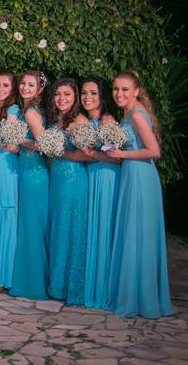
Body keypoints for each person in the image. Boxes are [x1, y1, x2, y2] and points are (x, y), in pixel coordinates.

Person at [106, 71, 172, 318]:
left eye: (125, 89)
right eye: (116, 89)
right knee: (134, 232)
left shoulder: (135, 114)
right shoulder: (128, 113)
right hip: (132, 174)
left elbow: (154, 150)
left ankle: (141, 299)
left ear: (135, 91)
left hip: (140, 177)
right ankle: (137, 295)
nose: (119, 94)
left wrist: (121, 154)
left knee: (139, 233)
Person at [46, 77, 89, 305]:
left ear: (75, 98)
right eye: (58, 94)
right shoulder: (57, 120)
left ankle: (71, 286)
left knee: (70, 228)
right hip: (58, 180)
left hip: (73, 180)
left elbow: (87, 153)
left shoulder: (79, 120)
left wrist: (62, 153)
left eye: (67, 94)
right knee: (59, 227)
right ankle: (57, 283)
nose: (61, 98)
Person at [79, 76, 120, 309]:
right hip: (92, 176)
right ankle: (94, 286)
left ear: (102, 97)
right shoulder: (86, 121)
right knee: (94, 228)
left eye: (93, 93)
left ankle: (103, 290)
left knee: (103, 228)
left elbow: (117, 158)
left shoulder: (107, 120)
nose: (87, 97)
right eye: (84, 93)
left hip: (106, 177)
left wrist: (91, 153)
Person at [9, 71, 50, 300]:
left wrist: (21, 141)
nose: (25, 87)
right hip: (27, 173)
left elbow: (44, 144)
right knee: (29, 226)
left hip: (34, 175)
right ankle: (30, 279)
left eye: (31, 85)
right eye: (23, 83)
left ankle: (33, 284)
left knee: (32, 227)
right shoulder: (28, 110)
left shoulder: (31, 112)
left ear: (39, 89)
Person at [0, 72, 20, 292]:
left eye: (6, 85)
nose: (0, 89)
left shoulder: (13, 110)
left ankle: (4, 278)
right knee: (0, 220)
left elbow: (14, 145)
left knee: (7, 218)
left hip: (8, 170)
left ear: (13, 88)